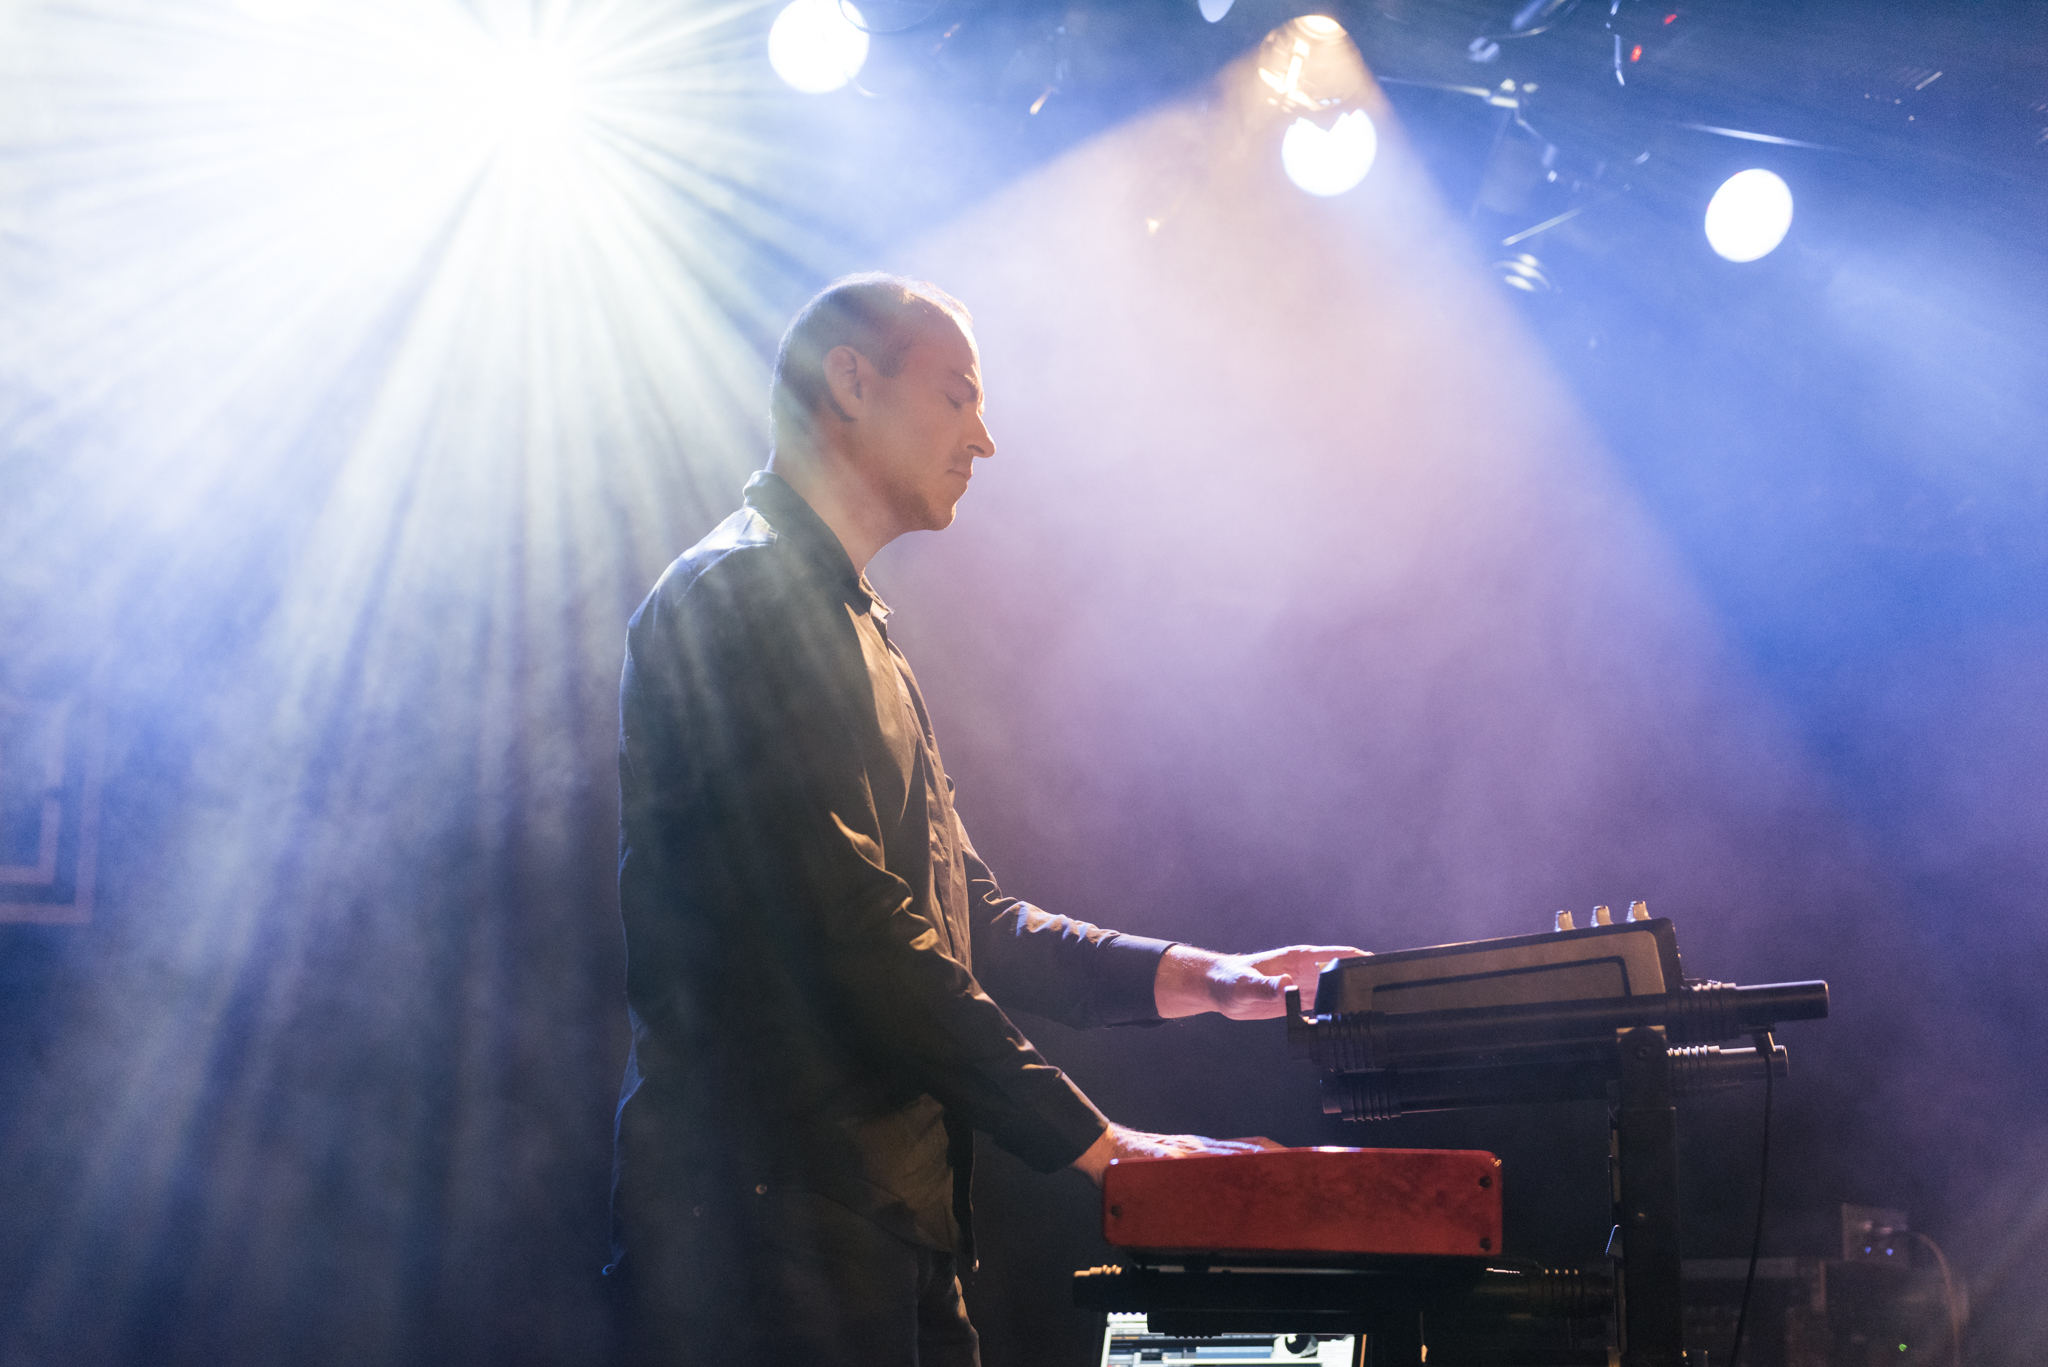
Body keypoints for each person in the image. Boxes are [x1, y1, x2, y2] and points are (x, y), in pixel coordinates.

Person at [607, 273, 1364, 1366]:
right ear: (851, 381)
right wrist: (1101, 1145)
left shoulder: (854, 626)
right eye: (957, 395)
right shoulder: (741, 597)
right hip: (764, 1225)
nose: (985, 439)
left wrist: (1211, 977)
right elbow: (854, 927)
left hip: (874, 1222)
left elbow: (974, 918)